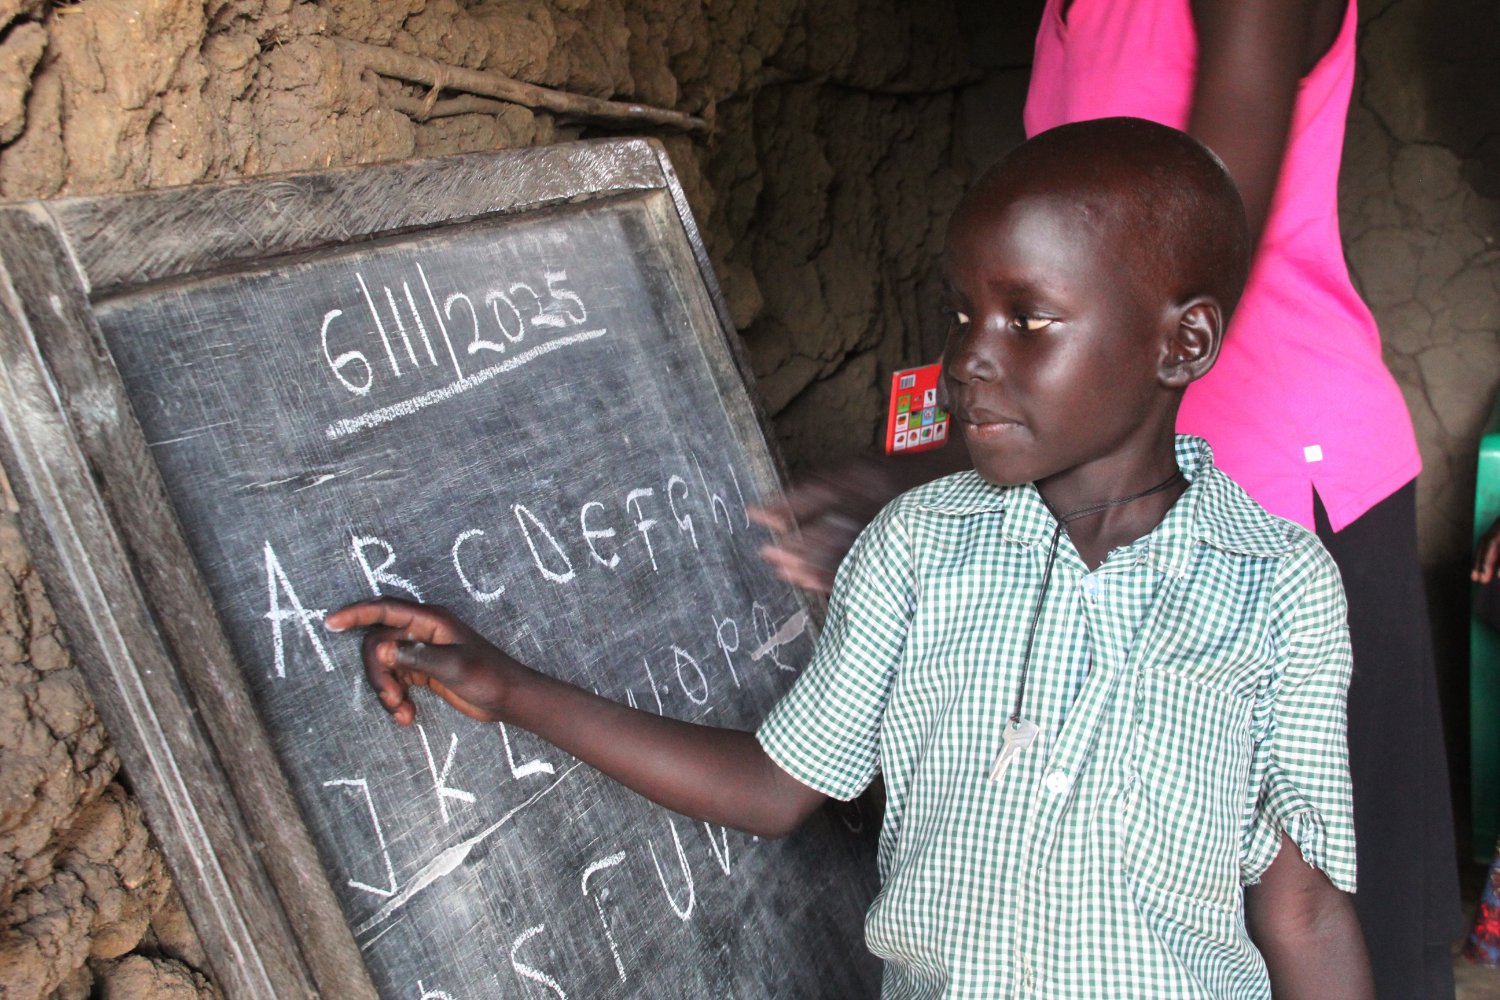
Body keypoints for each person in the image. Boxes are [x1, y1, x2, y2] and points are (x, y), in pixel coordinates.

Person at [328, 118, 1372, 999]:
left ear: (1181, 344)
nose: (970, 357)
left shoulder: (1274, 587)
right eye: (965, 313)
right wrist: (509, 686)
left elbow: (1306, 906)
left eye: (1029, 319)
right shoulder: (920, 547)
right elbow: (777, 786)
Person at [755, 4, 1462, 996]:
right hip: (1097, 492)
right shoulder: (1065, 13)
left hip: (1272, 476)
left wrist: (933, 470)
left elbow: (1208, 217)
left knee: (1316, 913)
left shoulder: (1277, 584)